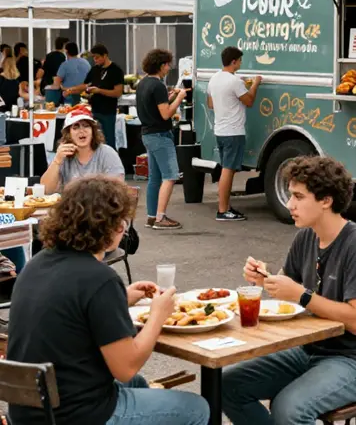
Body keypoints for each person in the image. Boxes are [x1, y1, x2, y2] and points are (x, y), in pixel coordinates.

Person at [6, 175, 210, 425]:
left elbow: (70, 311)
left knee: (136, 385)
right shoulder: (99, 279)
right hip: (76, 416)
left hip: (30, 410)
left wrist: (122, 298)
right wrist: (158, 315)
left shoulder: (37, 264)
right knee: (196, 408)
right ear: (112, 227)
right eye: (122, 221)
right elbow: (126, 366)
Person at [222, 156, 356, 425]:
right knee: (225, 385)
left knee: (289, 409)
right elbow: (286, 286)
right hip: (310, 349)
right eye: (291, 196)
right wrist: (264, 278)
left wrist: (301, 295)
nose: (290, 205)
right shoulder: (306, 236)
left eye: (299, 197)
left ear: (326, 200)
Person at [207, 46, 261, 222]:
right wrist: (255, 84)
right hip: (233, 131)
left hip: (220, 130)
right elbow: (249, 101)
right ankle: (222, 210)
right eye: (240, 61)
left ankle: (226, 207)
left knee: (226, 169)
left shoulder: (214, 79)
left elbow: (210, 104)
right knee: (228, 171)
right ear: (234, 62)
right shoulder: (234, 82)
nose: (241, 63)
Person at [136, 49, 186, 230]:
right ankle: (160, 217)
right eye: (167, 65)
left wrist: (170, 96)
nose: (169, 68)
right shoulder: (158, 86)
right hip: (160, 135)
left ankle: (151, 216)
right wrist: (179, 98)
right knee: (170, 176)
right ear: (162, 65)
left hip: (147, 133)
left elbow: (155, 106)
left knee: (154, 178)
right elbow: (165, 114)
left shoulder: (143, 84)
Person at [41, 105, 125, 194]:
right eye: (75, 127)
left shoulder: (107, 153)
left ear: (93, 131)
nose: (81, 131)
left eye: (86, 126)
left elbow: (117, 188)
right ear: (68, 134)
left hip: (100, 206)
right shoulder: (63, 156)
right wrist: (56, 161)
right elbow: (46, 190)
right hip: (70, 206)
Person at [73, 43, 125, 148]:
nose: (95, 60)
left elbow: (118, 92)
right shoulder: (95, 69)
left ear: (105, 55)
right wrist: (71, 90)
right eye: (94, 58)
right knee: (94, 141)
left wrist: (99, 91)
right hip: (94, 110)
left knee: (109, 141)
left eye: (97, 57)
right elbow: (85, 85)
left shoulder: (116, 70)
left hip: (108, 111)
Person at [56, 41, 92, 105]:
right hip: (85, 97)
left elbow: (57, 83)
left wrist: (62, 87)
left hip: (69, 97)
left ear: (66, 51)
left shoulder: (64, 65)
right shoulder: (86, 63)